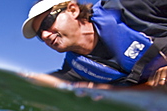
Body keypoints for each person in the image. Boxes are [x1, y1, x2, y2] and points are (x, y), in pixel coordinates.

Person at [21, 0, 167, 89]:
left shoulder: (131, 5)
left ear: (73, 10)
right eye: (40, 35)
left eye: (47, 23)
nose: (45, 35)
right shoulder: (74, 70)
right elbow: (39, 88)